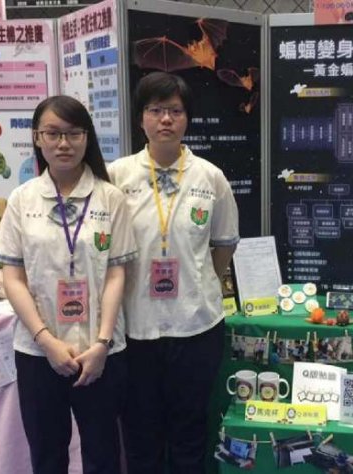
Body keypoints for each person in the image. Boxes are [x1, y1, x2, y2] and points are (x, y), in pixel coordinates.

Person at [0, 95, 137, 473]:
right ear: (37, 138)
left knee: (103, 456)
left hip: (100, 353)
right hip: (38, 353)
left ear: (87, 137)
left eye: (73, 133)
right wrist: (47, 341)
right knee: (47, 455)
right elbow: (13, 277)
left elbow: (116, 274)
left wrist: (102, 343)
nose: (63, 143)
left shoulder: (111, 198)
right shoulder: (22, 199)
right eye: (53, 134)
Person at [107, 72, 239, 473]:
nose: (166, 119)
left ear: (187, 119)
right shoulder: (117, 176)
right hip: (135, 327)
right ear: (141, 118)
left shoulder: (210, 177)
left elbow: (224, 244)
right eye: (155, 110)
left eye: (175, 111)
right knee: (140, 434)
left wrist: (200, 283)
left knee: (189, 432)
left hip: (195, 326)